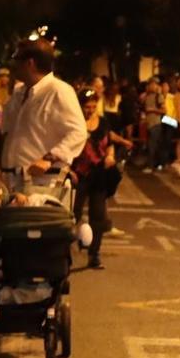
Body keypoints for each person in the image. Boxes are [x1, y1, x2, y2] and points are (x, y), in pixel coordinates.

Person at [0, 39, 87, 198]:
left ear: (30, 63)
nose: (13, 66)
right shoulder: (19, 92)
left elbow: (78, 132)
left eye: (16, 60)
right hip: (12, 179)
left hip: (41, 185)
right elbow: (7, 129)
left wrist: (48, 159)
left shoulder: (59, 91)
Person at [70, 89, 121, 269]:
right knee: (72, 214)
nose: (90, 110)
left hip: (99, 174)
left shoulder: (103, 122)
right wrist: (69, 170)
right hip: (79, 174)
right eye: (86, 107)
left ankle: (94, 253)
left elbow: (110, 144)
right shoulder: (74, 122)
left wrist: (110, 156)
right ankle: (66, 252)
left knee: (98, 216)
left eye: (93, 106)